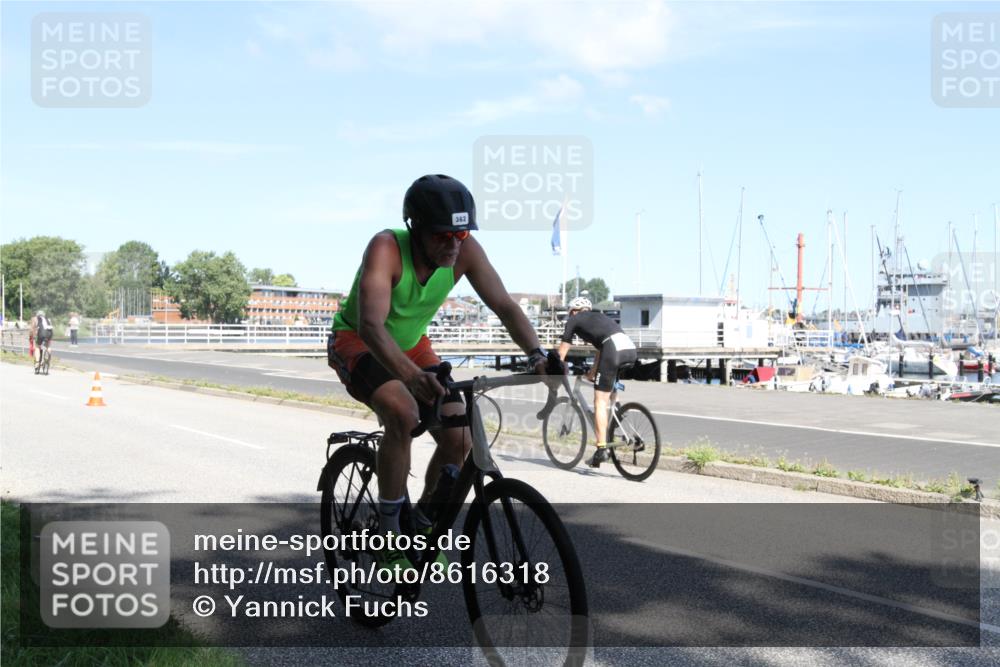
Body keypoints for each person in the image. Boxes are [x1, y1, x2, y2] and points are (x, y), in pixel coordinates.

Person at [328, 174, 554, 574]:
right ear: (416, 228)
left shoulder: (465, 251)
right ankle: (388, 533)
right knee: (403, 413)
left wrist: (536, 353)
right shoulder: (386, 248)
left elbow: (504, 305)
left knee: (460, 437)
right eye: (442, 235)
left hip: (413, 345)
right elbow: (371, 327)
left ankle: (423, 518)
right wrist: (412, 378)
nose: (453, 244)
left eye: (461, 235)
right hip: (359, 342)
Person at [557, 297, 637, 467]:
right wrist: (592, 373)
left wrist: (555, 368)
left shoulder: (574, 319)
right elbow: (602, 349)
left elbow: (563, 349)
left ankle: (601, 449)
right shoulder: (600, 318)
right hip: (628, 348)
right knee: (608, 393)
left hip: (613, 349)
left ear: (573, 311)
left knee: (599, 401)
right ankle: (616, 414)